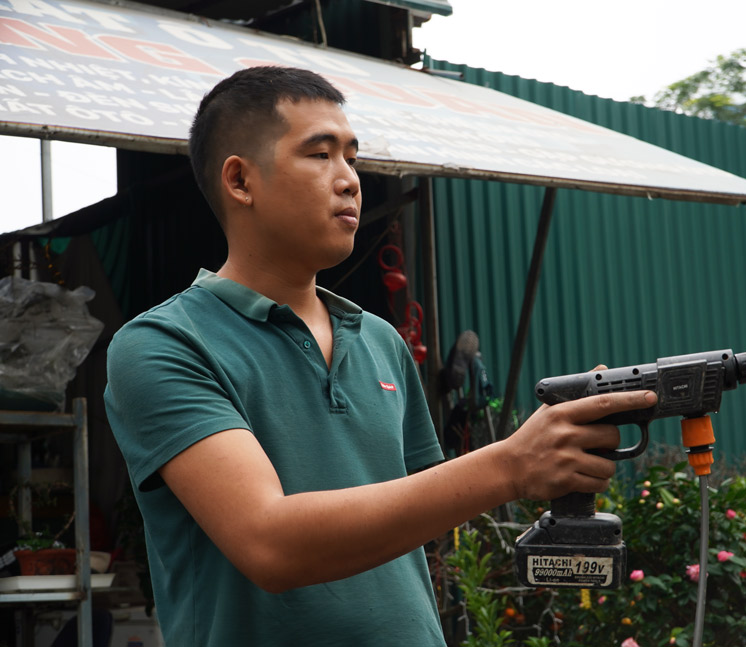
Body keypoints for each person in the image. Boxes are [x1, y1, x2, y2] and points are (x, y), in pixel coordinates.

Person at [104, 66, 657, 647]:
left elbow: (421, 507)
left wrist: (554, 438)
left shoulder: (379, 340)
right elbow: (269, 543)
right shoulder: (164, 344)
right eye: (320, 155)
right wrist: (511, 464)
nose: (349, 180)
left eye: (351, 156)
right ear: (241, 181)